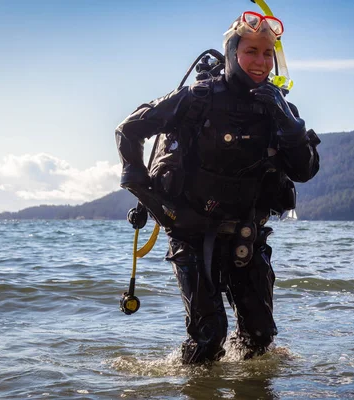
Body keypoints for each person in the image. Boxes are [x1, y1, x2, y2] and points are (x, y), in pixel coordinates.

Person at [115, 11, 321, 364]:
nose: (260, 62)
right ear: (231, 53)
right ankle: (194, 384)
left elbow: (304, 170)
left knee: (260, 338)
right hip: (191, 231)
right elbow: (128, 130)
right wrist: (144, 187)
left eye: (267, 53)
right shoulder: (198, 99)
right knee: (209, 338)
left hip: (247, 234)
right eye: (251, 51)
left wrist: (287, 119)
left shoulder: (279, 108)